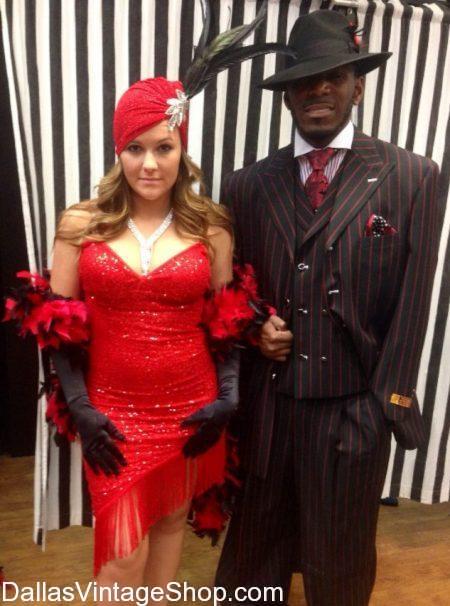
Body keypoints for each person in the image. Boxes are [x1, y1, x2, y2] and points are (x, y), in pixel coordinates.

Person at [215, 10, 441, 606]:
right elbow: (232, 289)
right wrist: (254, 328)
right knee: (251, 567)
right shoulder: (246, 185)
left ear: (357, 87)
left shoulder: (412, 177)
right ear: (286, 95)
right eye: (304, 80)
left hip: (353, 410)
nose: (318, 90)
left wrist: (382, 408)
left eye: (334, 77)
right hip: (268, 411)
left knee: (339, 569)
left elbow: (414, 305)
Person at [49, 76, 237, 600]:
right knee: (122, 557)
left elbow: (227, 320)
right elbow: (56, 326)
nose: (149, 164)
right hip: (111, 412)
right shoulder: (80, 225)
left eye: (163, 148)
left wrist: (229, 394)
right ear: (119, 152)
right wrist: (79, 405)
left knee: (172, 523)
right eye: (135, 148)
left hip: (189, 407)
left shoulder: (212, 228)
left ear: (182, 151)